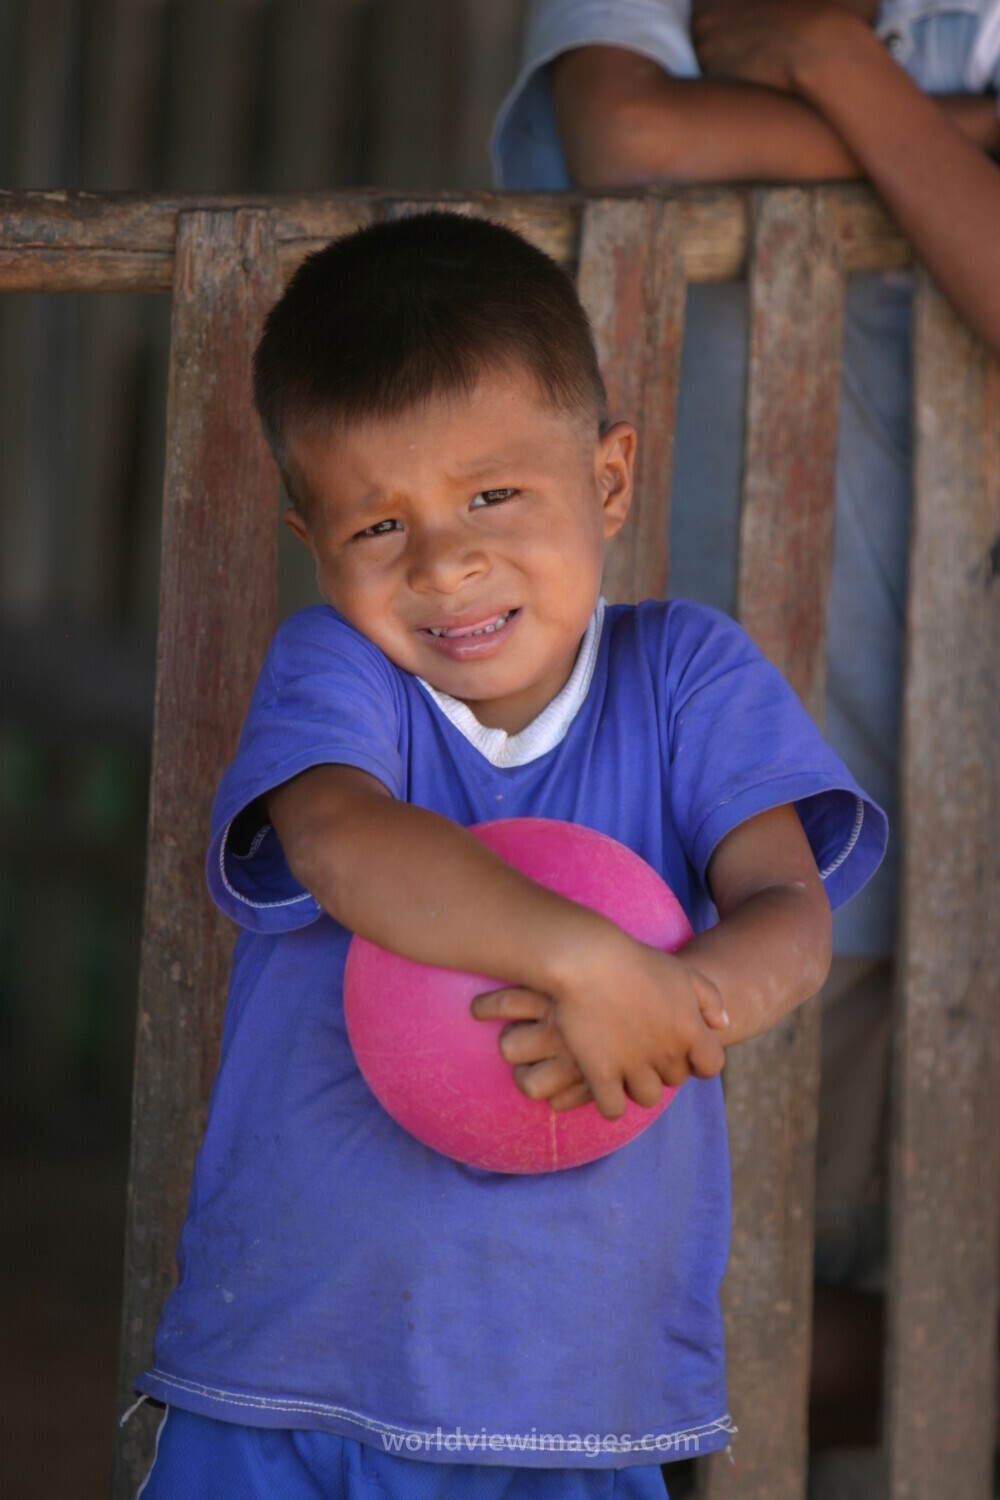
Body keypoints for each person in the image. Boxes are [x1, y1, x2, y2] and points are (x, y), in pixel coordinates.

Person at [130, 210, 885, 1498]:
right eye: (379, 528)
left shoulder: (685, 678)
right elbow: (341, 841)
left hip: (571, 1391)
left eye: (492, 495)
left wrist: (678, 1001)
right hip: (294, 1371)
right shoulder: (341, 673)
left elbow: (786, 912)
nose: (446, 562)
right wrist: (586, 964)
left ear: (609, 478)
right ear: (313, 542)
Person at [493, 0, 1000, 1439]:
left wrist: (830, 63)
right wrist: (953, 145)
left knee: (930, 1286)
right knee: (689, 1283)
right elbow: (633, 133)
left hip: (960, 760)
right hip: (726, 779)